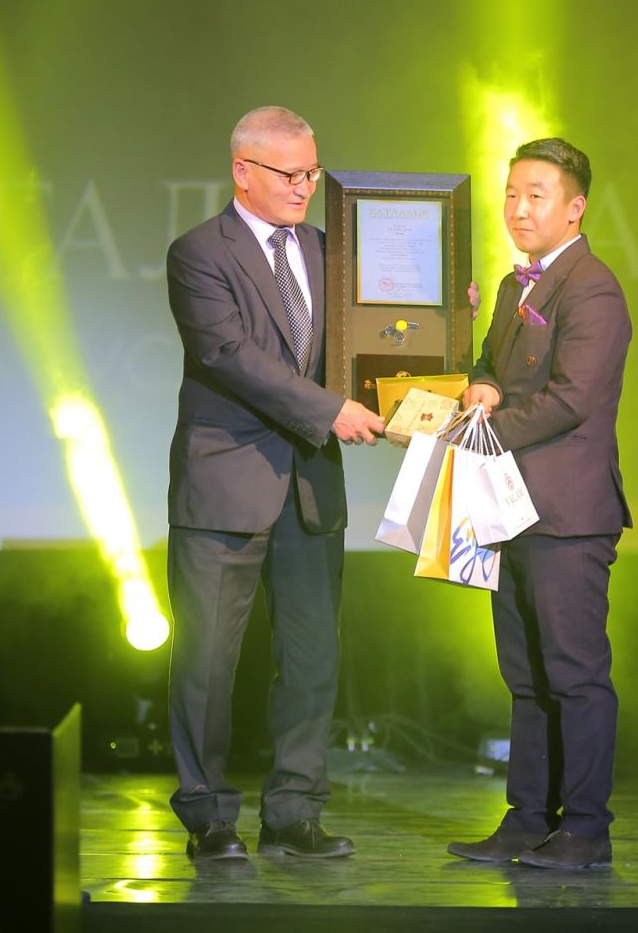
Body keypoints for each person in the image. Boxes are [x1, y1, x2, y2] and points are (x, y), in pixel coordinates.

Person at [164, 105, 385, 861]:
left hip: (310, 486)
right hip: (226, 483)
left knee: (313, 656)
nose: (304, 186)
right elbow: (228, 355)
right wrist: (329, 411)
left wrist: (445, 317)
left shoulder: (330, 251)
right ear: (243, 171)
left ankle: (294, 813)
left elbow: (377, 335)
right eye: (289, 173)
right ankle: (208, 816)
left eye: (312, 172)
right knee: (206, 663)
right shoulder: (199, 253)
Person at [448, 137, 632, 871]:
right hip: (511, 507)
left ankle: (585, 830)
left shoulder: (592, 288)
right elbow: (493, 367)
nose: (518, 209)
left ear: (575, 207)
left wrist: (476, 434)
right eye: (511, 194)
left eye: (536, 196)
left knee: (575, 676)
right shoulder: (512, 285)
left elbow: (570, 400)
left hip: (566, 514)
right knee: (524, 676)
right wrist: (481, 383)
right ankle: (527, 819)